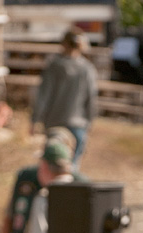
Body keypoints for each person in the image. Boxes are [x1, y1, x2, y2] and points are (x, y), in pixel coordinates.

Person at [31, 29, 97, 166]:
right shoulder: (87, 68)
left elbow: (43, 95)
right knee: (72, 166)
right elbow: (91, 98)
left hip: (55, 122)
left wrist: (35, 119)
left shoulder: (54, 66)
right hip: (78, 123)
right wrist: (89, 121)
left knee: (53, 163)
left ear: (64, 44)